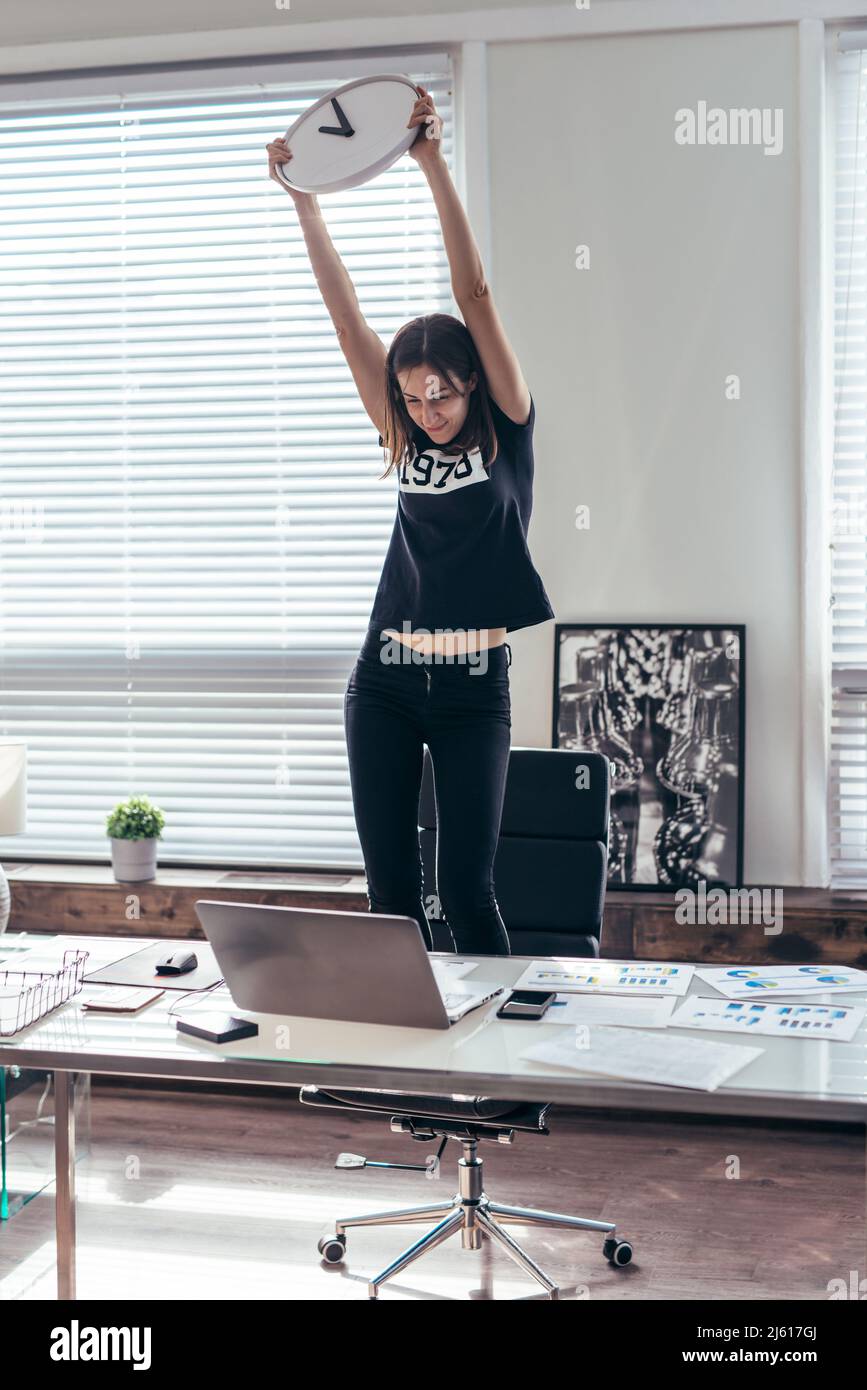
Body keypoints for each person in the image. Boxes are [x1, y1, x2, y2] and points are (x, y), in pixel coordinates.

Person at [265, 85, 554, 955]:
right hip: (383, 683)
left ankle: (504, 1094)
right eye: (413, 396)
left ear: (472, 385)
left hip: (473, 692)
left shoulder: (506, 424)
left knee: (468, 891)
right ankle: (411, 1086)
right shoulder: (397, 428)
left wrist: (431, 163)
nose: (428, 410)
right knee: (392, 899)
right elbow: (345, 318)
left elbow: (473, 292)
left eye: (442, 394)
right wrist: (305, 205)